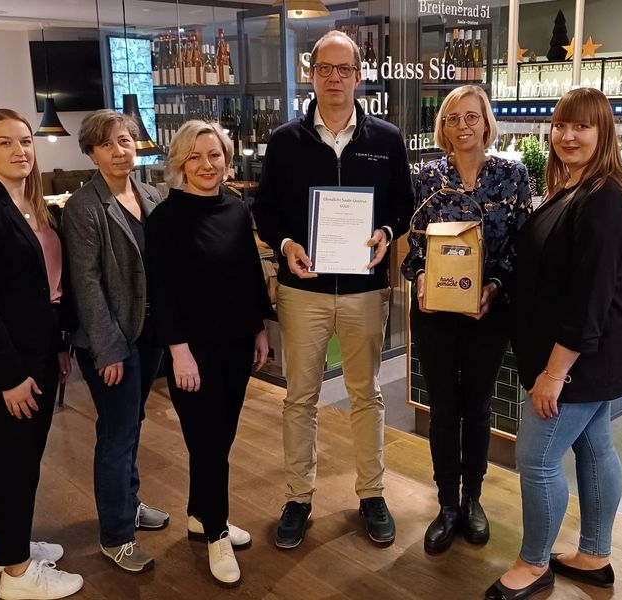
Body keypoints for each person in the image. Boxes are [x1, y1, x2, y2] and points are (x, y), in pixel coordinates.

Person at [252, 30, 414, 549]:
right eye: (326, 68)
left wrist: (386, 231)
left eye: (345, 69)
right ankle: (298, 498)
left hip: (365, 290)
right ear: (312, 73)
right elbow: (264, 209)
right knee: (300, 398)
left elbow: (403, 204)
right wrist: (285, 245)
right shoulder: (285, 140)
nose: (335, 78)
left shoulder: (386, 139)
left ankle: (372, 494)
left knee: (366, 395)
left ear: (359, 76)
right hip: (303, 292)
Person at [485, 87, 622, 600]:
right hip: (583, 358)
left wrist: (554, 373)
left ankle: (533, 564)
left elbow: (588, 300)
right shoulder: (576, 187)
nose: (567, 136)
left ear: (604, 133)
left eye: (581, 126)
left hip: (579, 361)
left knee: (536, 459)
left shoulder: (605, 200)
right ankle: (595, 556)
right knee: (595, 448)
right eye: (560, 125)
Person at [0, 109, 83, 600]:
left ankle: (0, 546)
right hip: (5, 359)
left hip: (40, 350)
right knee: (17, 461)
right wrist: (10, 375)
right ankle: (18, 573)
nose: (19, 150)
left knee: (18, 456)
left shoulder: (37, 205)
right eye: (5, 142)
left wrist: (59, 348)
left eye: (25, 141)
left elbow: (51, 289)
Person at [401, 85, 532, 555]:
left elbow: (521, 248)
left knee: (476, 407)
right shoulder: (426, 177)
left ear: (486, 122)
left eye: (472, 117)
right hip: (434, 313)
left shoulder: (512, 176)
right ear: (443, 125)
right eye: (453, 118)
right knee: (442, 409)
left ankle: (473, 497)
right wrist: (420, 277)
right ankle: (447, 504)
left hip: (487, 313)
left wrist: (493, 288)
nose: (462, 126)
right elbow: (414, 247)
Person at [146, 120, 271, 587]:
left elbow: (249, 274)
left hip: (236, 343)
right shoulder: (165, 219)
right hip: (192, 351)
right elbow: (162, 292)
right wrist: (178, 351)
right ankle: (217, 534)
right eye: (195, 157)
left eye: (214, 155)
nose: (206, 164)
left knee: (221, 437)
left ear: (226, 159)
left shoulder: (236, 208)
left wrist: (260, 328)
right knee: (208, 443)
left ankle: (201, 515)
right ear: (180, 162)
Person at [61, 109, 169, 574]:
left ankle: (130, 502)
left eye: (124, 141)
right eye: (107, 144)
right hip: (110, 341)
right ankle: (117, 535)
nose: (119, 151)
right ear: (91, 153)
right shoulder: (84, 207)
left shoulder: (150, 193)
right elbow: (86, 285)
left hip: (149, 333)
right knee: (117, 434)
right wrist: (108, 350)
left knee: (132, 423)